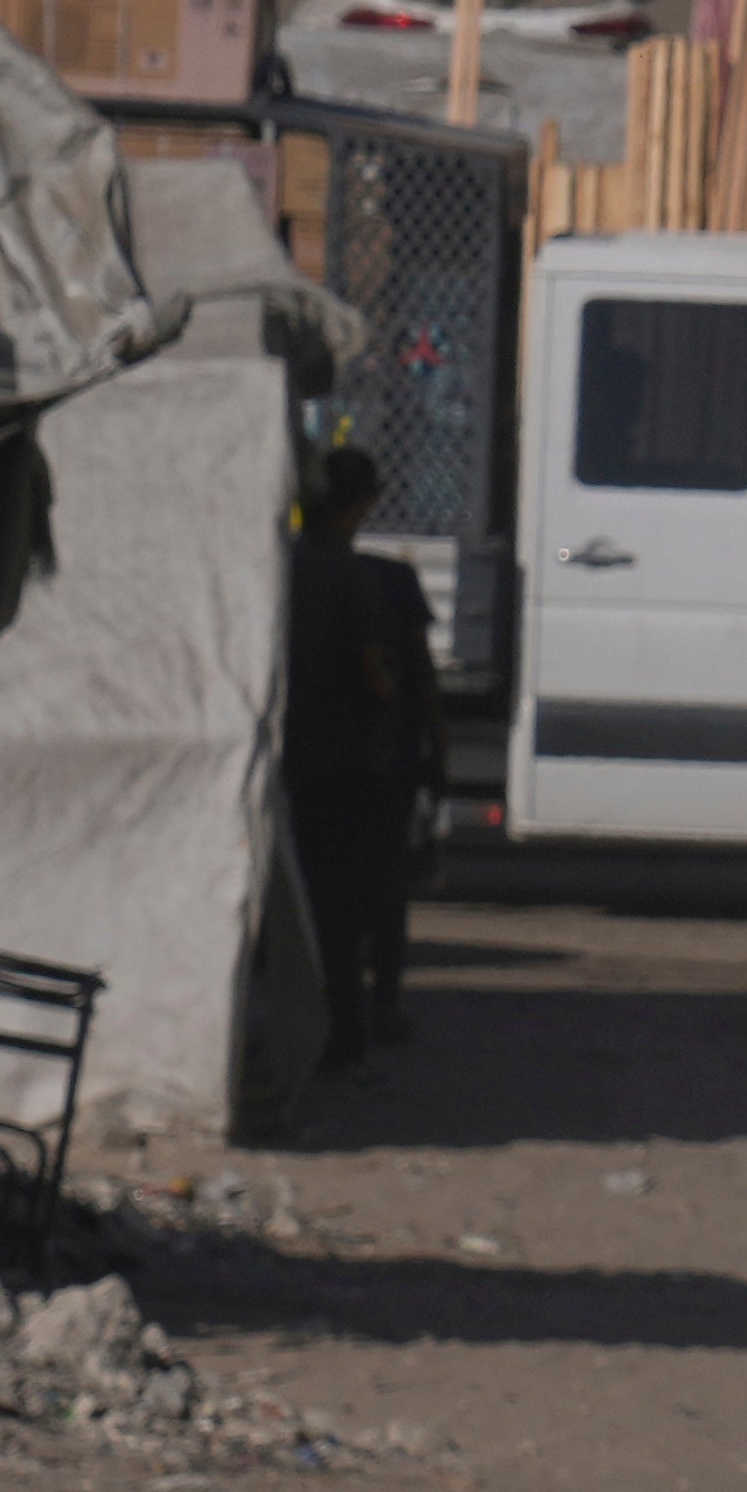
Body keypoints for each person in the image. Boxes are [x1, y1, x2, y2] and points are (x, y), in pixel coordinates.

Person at [283, 448, 443, 1072]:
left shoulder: (279, 570)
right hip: (368, 767)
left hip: (299, 761)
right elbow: (398, 679)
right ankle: (367, 1018)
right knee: (372, 898)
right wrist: (436, 751)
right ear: (364, 504)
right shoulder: (377, 581)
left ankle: (330, 1023)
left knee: (319, 902)